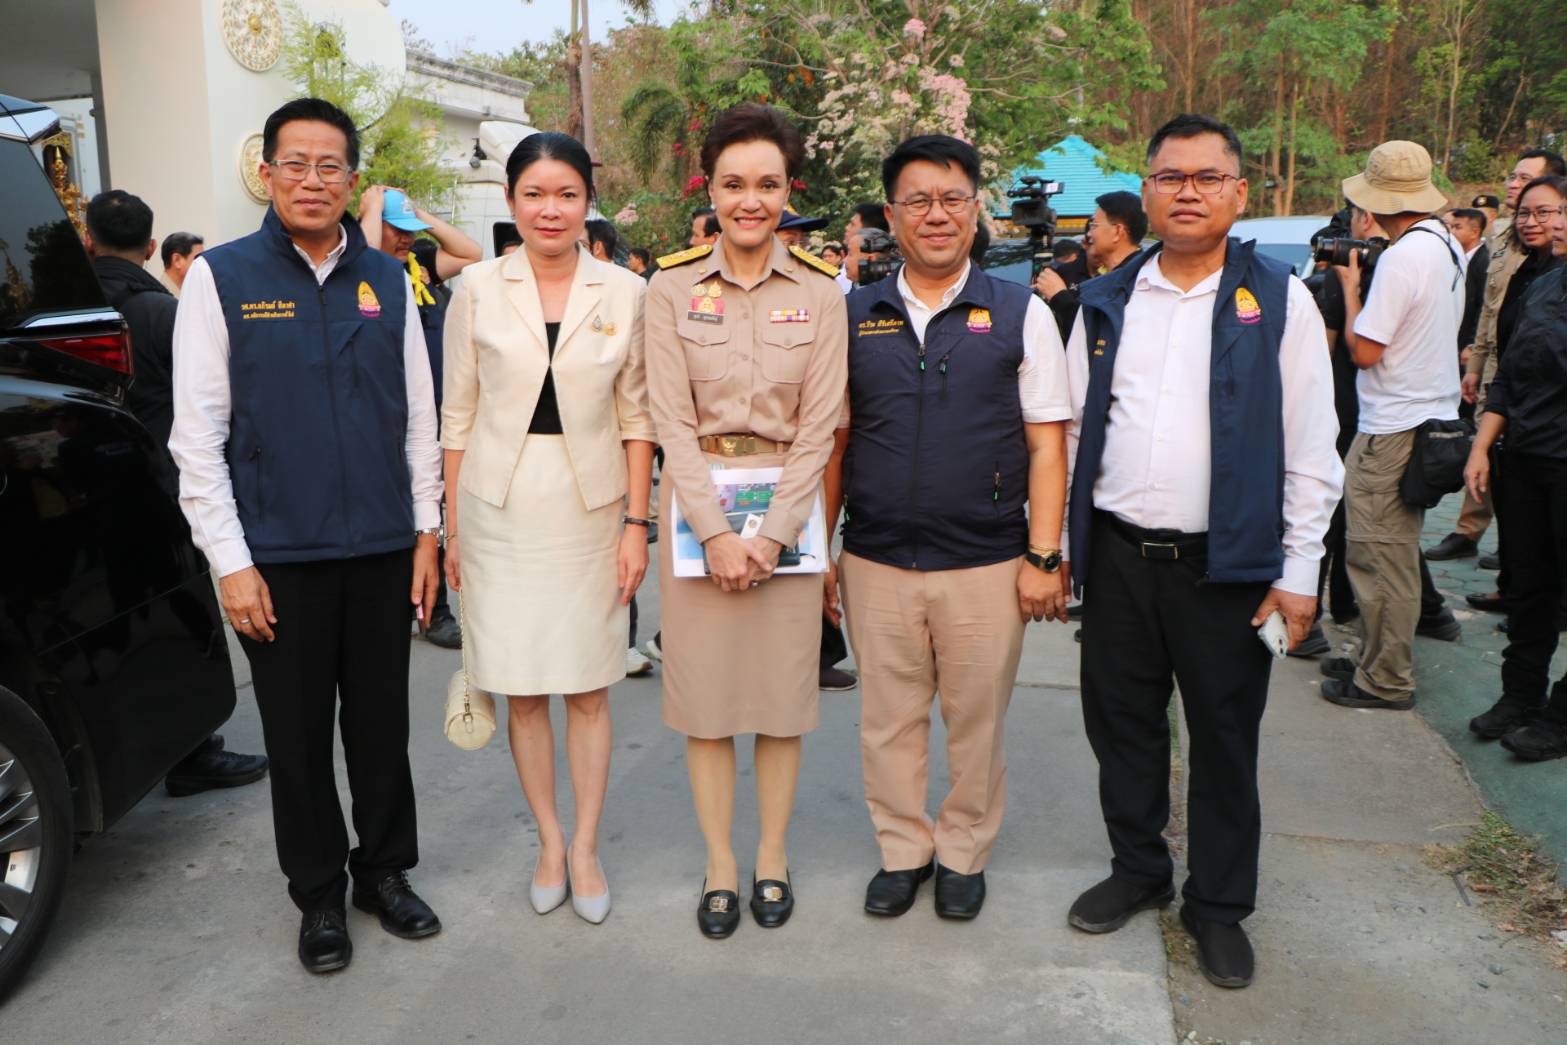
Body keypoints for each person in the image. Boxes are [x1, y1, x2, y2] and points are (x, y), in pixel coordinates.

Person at [1063, 114, 1341, 990]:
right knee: (1122, 726)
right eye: (1170, 176)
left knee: (1222, 738)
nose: (1187, 192)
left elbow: (1311, 445)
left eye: (1206, 177)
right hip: (1117, 557)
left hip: (1227, 567)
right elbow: (1071, 434)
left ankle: (1217, 905)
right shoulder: (1105, 299)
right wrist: (1061, 549)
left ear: (1238, 193)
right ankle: (1138, 868)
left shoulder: (1279, 299)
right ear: (1145, 192)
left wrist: (1298, 573)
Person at [168, 97, 443, 974]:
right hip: (278, 556)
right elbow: (196, 437)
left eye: (331, 166)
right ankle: (319, 893)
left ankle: (384, 872)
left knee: (381, 728)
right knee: (295, 739)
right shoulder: (221, 277)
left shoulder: (388, 280)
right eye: (296, 163)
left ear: (352, 180)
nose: (313, 180)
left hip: (381, 546)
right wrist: (230, 561)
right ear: (268, 173)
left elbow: (418, 419)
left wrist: (427, 532)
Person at [824, 134, 1070, 924]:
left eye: (952, 198)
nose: (936, 214)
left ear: (975, 208)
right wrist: (822, 549)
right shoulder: (853, 314)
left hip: (985, 560)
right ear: (890, 215)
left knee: (976, 720)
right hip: (876, 557)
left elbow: (1047, 444)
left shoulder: (1021, 313)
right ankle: (902, 849)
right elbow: (833, 442)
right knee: (886, 720)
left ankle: (963, 850)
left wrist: (1043, 554)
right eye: (918, 200)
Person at [644, 102, 847, 939]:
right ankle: (720, 863)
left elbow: (821, 425)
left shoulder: (821, 292)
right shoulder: (670, 286)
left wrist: (770, 537)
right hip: (698, 510)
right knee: (705, 702)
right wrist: (719, 534)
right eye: (733, 184)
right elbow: (667, 418)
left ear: (788, 189)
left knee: (780, 699)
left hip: (787, 516)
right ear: (711, 190)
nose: (749, 200)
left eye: (766, 184)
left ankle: (770, 856)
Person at [442, 131, 655, 926]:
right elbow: (456, 416)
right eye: (533, 194)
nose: (550, 209)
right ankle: (551, 843)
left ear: (588, 202)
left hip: (590, 508)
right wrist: (451, 528)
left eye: (566, 194)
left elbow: (638, 419)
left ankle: (589, 845)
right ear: (510, 202)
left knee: (589, 686)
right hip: (497, 509)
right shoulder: (476, 288)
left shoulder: (624, 291)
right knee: (524, 690)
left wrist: (636, 524)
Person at [82, 191, 269, 798]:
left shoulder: (68, 308)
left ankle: (120, 748)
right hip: (164, 488)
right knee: (184, 615)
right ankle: (192, 751)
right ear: (149, 246)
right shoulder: (162, 313)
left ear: (88, 240)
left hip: (84, 491)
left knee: (111, 620)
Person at [1317, 140, 1465, 713]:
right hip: (1426, 417)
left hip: (1393, 425)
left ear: (1375, 201)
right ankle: (1374, 659)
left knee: (1380, 558)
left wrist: (1351, 290)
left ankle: (1385, 680)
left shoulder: (1403, 259)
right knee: (1390, 553)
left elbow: (1365, 352)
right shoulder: (1446, 244)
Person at [1463, 178, 1567, 759]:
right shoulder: (1542, 284)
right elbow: (1508, 374)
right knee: (1528, 586)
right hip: (1524, 457)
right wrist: (1482, 446)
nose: (1551, 225)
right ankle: (1521, 696)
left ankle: (1562, 717)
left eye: (1560, 214)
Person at [359, 186, 483, 651]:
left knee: (442, 509)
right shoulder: (367, 269)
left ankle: (434, 604)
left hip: (441, 412)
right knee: (414, 512)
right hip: (394, 416)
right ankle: (431, 609)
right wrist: (373, 210)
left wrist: (420, 215)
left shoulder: (420, 266)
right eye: (397, 230)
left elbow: (470, 253)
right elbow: (364, 257)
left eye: (410, 231)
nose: (406, 238)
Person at [1431, 150, 1567, 564]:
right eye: (1514, 178)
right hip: (1505, 377)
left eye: (1526, 179)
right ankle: (1486, 543)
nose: (1514, 184)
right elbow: (1490, 314)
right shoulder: (1510, 246)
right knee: (1493, 459)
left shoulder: (1551, 264)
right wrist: (1475, 365)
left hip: (1546, 412)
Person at [1035, 190, 1147, 340]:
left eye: (1094, 226)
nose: (1088, 234)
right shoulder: (1115, 274)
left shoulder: (1138, 280)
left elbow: (1097, 334)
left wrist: (1059, 296)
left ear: (1117, 231)